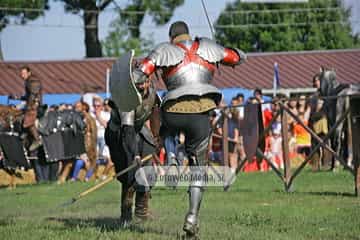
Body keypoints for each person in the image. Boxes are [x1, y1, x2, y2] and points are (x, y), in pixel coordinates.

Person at [134, 21, 246, 239]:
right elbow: (239, 57)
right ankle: (192, 218)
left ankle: (172, 156)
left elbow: (141, 74)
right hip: (201, 116)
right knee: (198, 170)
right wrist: (228, 51)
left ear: (171, 37)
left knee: (167, 131)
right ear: (188, 34)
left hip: (173, 111)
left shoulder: (164, 50)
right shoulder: (206, 47)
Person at [105, 75, 161, 227]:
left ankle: (142, 212)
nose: (141, 86)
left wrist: (157, 138)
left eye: (144, 82)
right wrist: (135, 154)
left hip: (139, 129)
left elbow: (155, 113)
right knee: (130, 174)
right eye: (138, 84)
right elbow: (127, 131)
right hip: (118, 133)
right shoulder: (126, 98)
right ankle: (126, 215)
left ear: (149, 82)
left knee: (147, 171)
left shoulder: (152, 92)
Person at [11, 66, 43, 151]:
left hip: (35, 106)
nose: (22, 75)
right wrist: (17, 97)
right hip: (31, 105)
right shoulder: (28, 81)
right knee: (18, 116)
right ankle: (24, 133)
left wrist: (30, 106)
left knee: (28, 120)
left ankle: (37, 139)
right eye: (21, 74)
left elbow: (34, 94)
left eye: (24, 73)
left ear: (29, 73)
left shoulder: (33, 81)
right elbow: (28, 96)